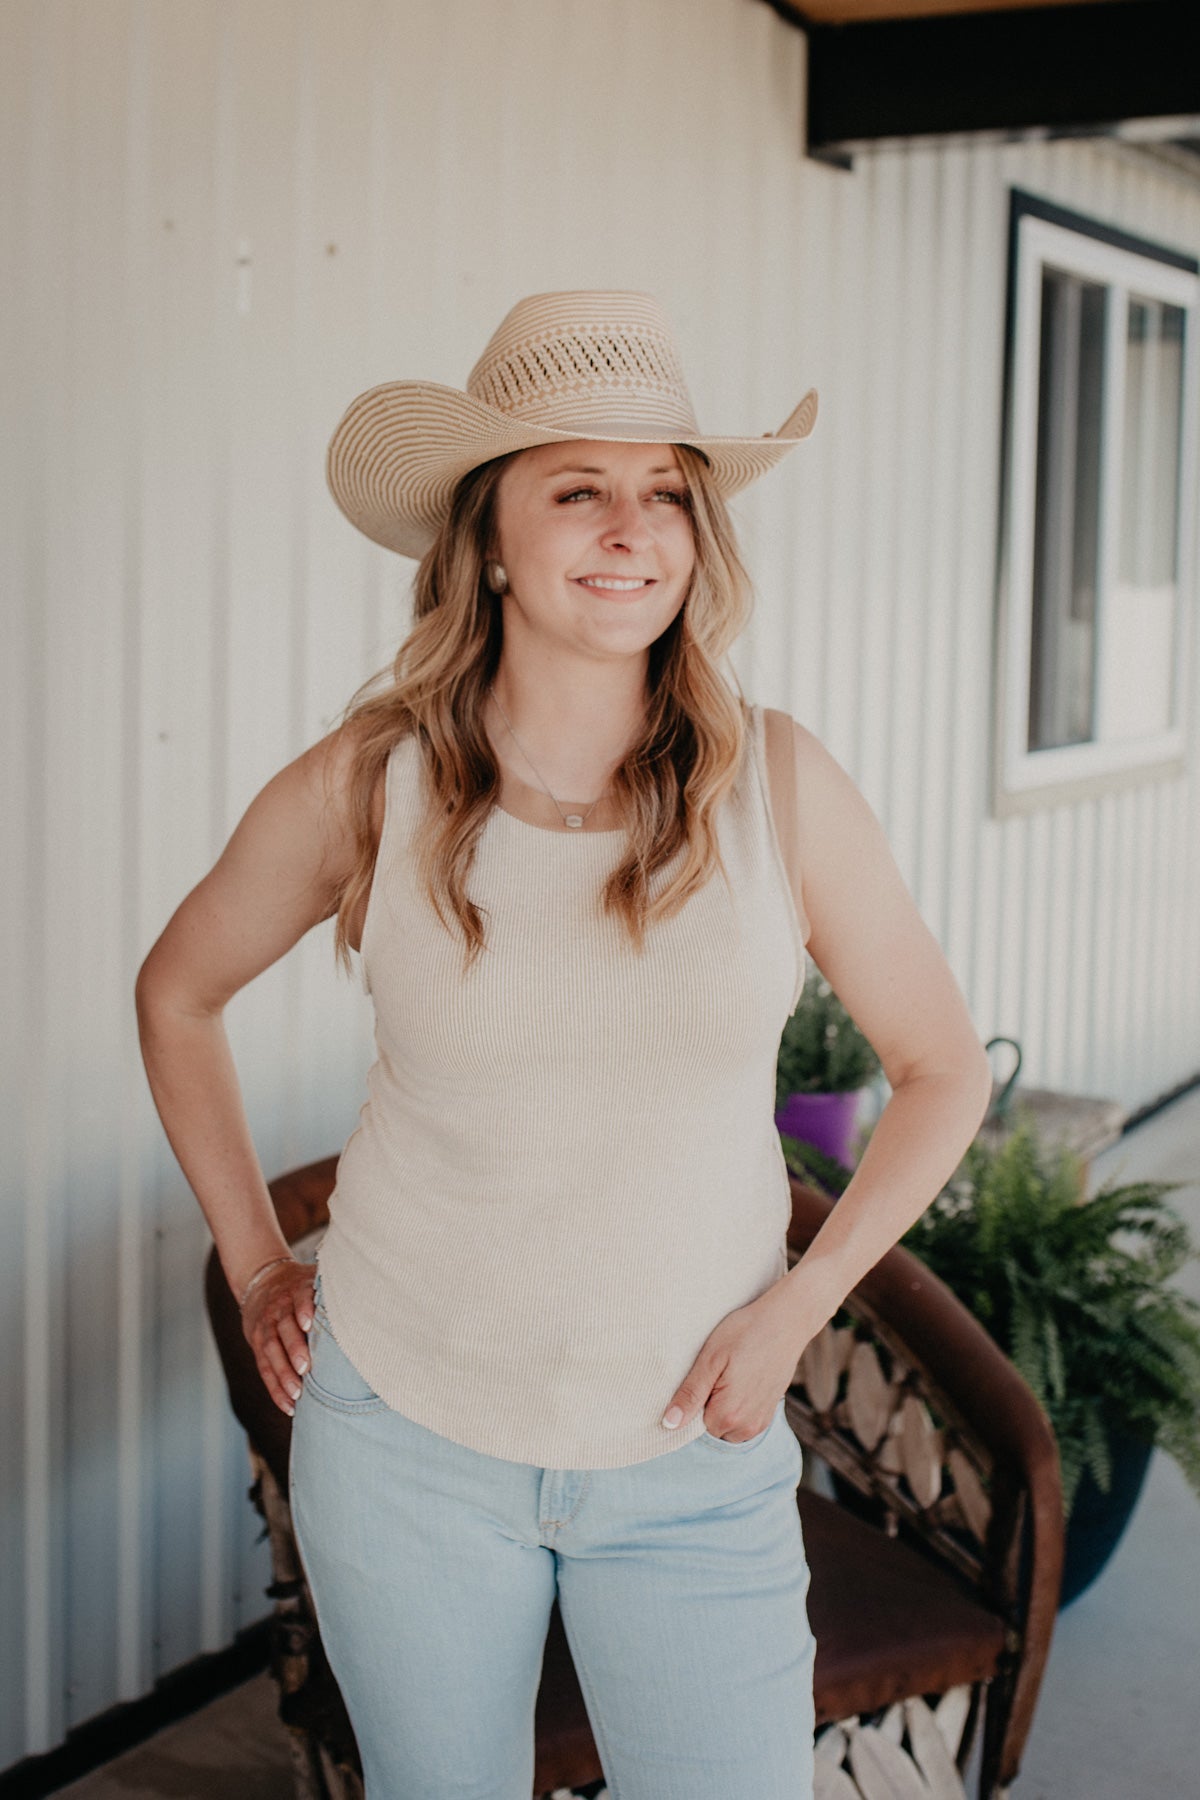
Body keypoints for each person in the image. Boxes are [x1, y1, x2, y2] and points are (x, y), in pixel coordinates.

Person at [135, 290, 994, 1800]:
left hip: (689, 1455)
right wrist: (264, 1257)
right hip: (402, 1443)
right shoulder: (373, 782)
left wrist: (801, 1307)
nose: (631, 528)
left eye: (665, 492)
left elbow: (941, 1069)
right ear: (485, 539)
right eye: (578, 489)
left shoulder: (777, 785)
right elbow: (177, 991)